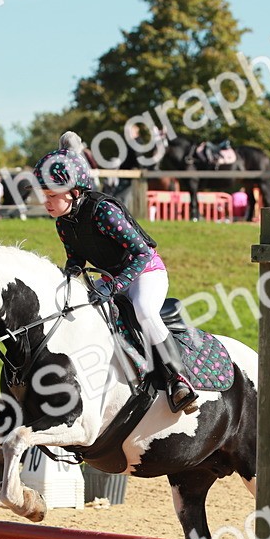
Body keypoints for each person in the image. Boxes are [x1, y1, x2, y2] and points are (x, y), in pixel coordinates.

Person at [33, 131, 198, 414]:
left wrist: (115, 284)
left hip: (146, 272)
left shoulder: (104, 211)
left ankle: (177, 379)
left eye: (51, 195)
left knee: (144, 310)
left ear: (74, 192)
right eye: (44, 195)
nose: (46, 202)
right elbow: (76, 260)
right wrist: (67, 276)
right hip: (111, 279)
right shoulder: (63, 222)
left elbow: (142, 253)